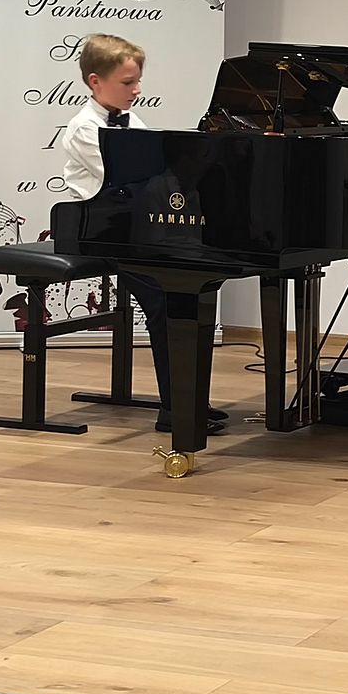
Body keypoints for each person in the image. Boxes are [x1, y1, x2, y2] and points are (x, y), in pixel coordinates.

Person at [57, 33, 223, 436]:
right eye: (128, 82)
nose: (137, 90)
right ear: (95, 81)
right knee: (166, 299)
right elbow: (134, 179)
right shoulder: (83, 129)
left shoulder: (132, 122)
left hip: (136, 229)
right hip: (99, 232)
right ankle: (175, 409)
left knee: (194, 288)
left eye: (138, 81)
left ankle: (189, 400)